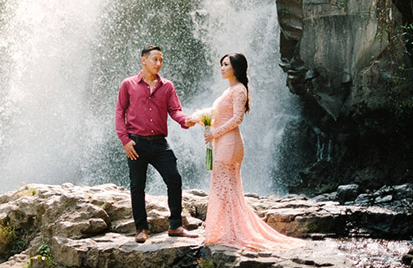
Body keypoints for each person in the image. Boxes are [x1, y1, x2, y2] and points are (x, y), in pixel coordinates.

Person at [187, 53, 303, 251]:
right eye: (221, 64)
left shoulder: (239, 90)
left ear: (236, 68)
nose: (222, 68)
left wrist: (213, 132)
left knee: (224, 188)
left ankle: (229, 232)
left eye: (226, 64)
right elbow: (220, 116)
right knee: (225, 188)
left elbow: (237, 119)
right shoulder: (230, 90)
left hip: (230, 144)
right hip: (223, 142)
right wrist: (198, 119)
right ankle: (226, 230)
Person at [115, 45, 195, 243]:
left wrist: (187, 120)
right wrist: (125, 141)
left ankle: (175, 225)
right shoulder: (128, 84)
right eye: (155, 60)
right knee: (137, 186)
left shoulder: (167, 86)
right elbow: (119, 112)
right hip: (136, 143)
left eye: (161, 60)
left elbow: (175, 111)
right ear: (143, 60)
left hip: (159, 143)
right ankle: (141, 228)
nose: (159, 64)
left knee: (174, 179)